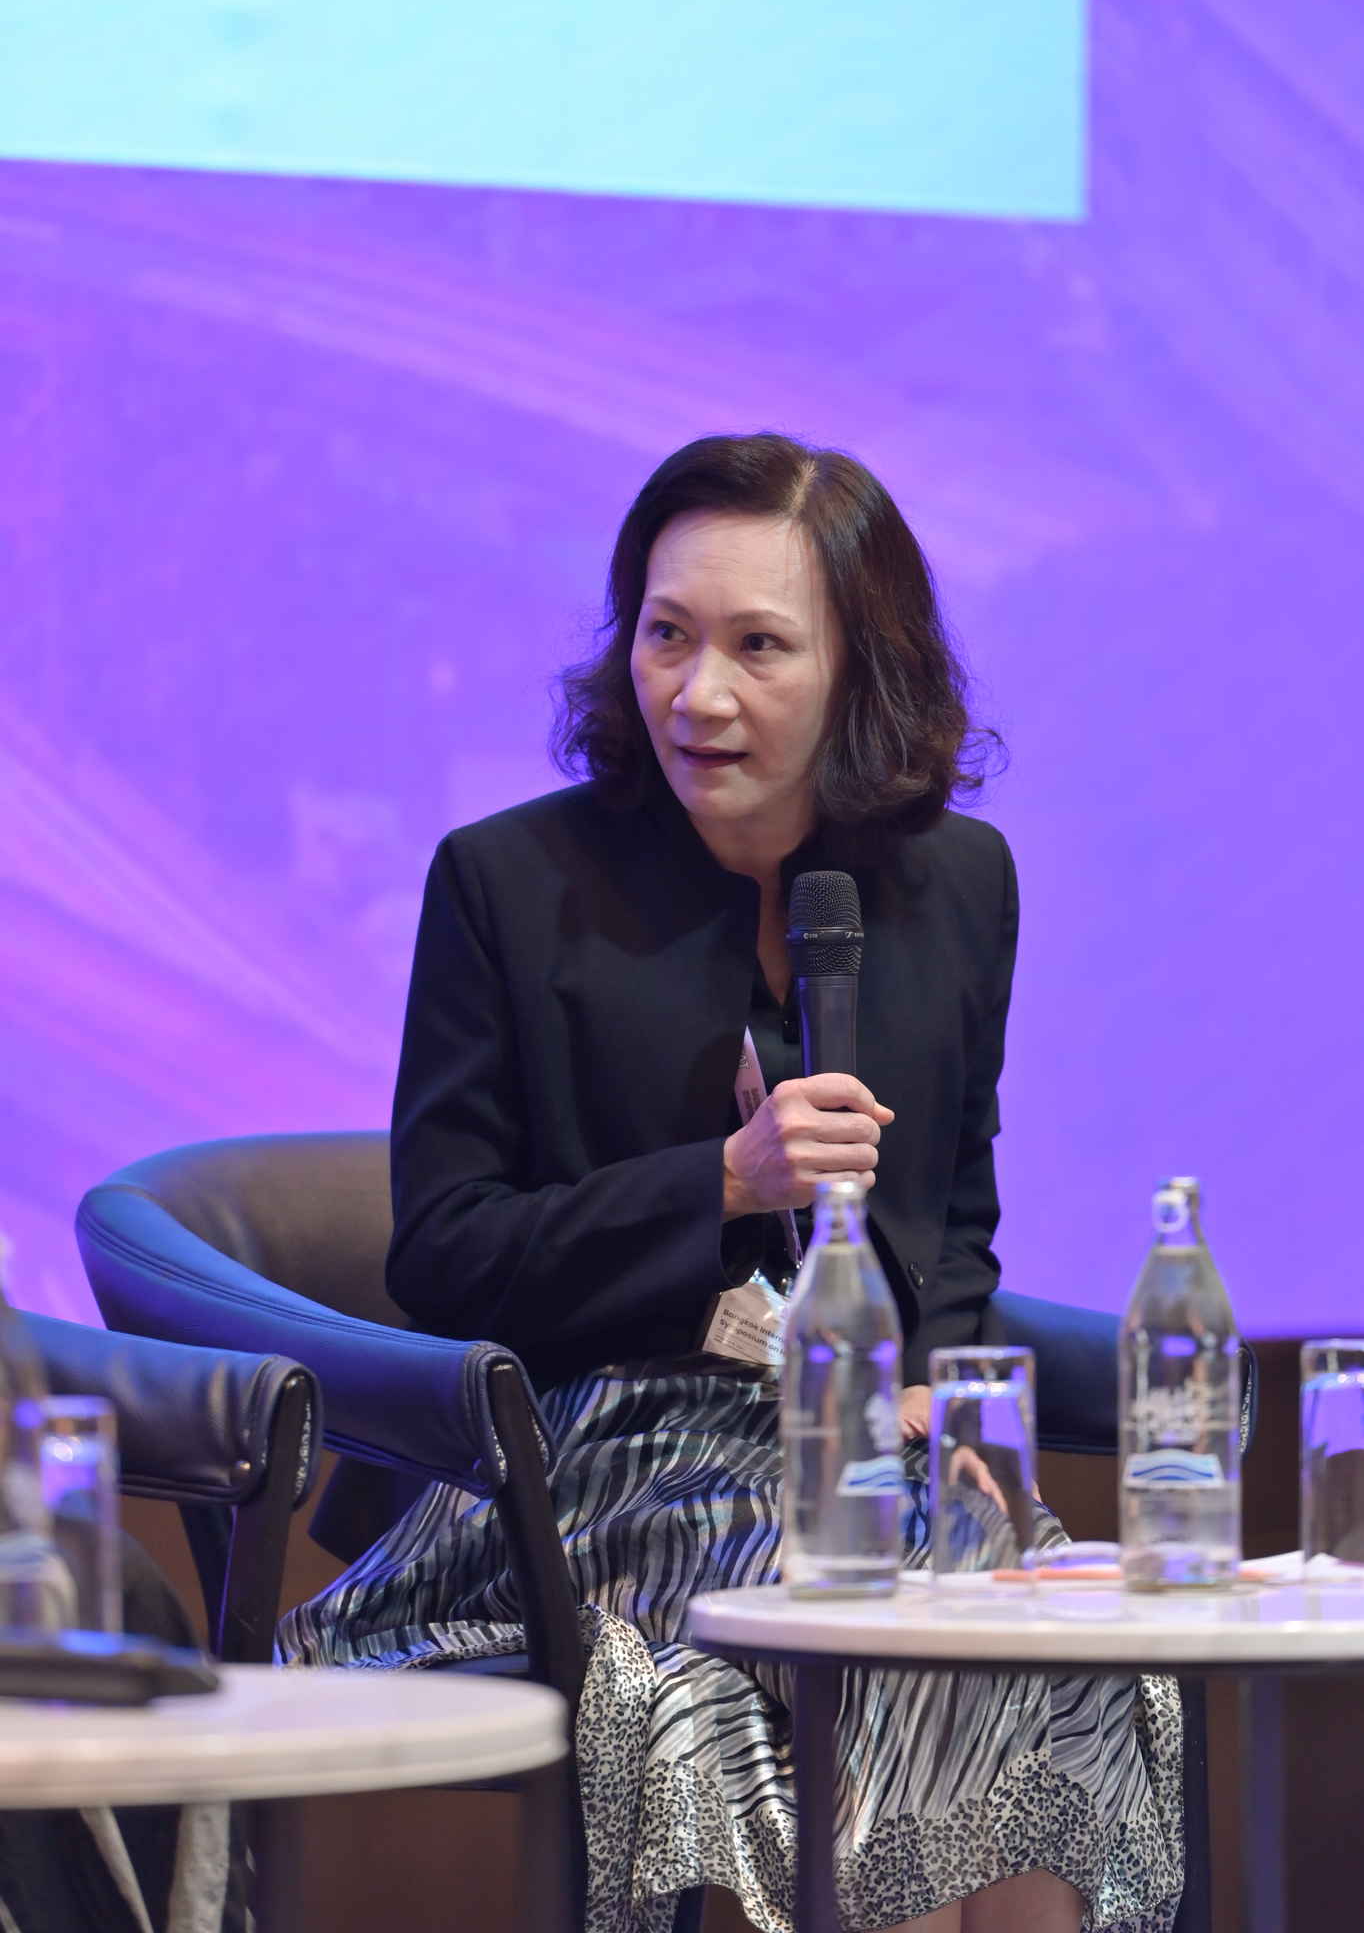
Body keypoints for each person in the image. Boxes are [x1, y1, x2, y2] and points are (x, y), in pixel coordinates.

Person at [280, 435, 1182, 1932]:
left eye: (759, 646)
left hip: (856, 1447)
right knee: (891, 1591)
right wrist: (719, 1181)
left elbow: (954, 1210)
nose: (698, 695)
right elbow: (443, 1251)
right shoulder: (506, 885)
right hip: (587, 1453)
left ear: (858, 668)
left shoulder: (960, 884)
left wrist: (936, 1378)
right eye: (666, 635)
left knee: (1044, 1626)